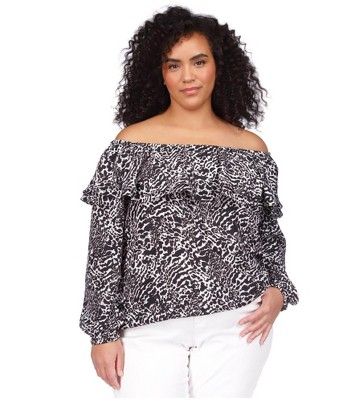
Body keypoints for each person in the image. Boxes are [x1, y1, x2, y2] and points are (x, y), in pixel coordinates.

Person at [79, 5, 299, 398]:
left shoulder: (252, 150)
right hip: (146, 327)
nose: (188, 76)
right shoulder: (130, 146)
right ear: (160, 74)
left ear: (218, 67)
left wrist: (279, 289)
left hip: (239, 324)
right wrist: (102, 332)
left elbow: (268, 236)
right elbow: (105, 248)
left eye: (199, 62)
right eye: (174, 65)